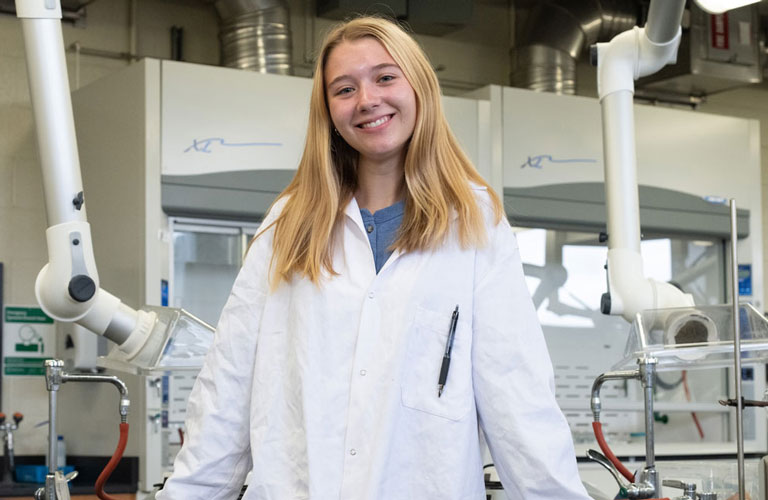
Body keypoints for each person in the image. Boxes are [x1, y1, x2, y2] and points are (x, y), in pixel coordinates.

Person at [158, 16, 591, 500]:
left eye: (385, 77)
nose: (367, 100)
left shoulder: (474, 221)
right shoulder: (288, 223)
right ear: (328, 111)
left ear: (419, 87)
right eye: (344, 89)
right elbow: (227, 391)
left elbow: (518, 396)